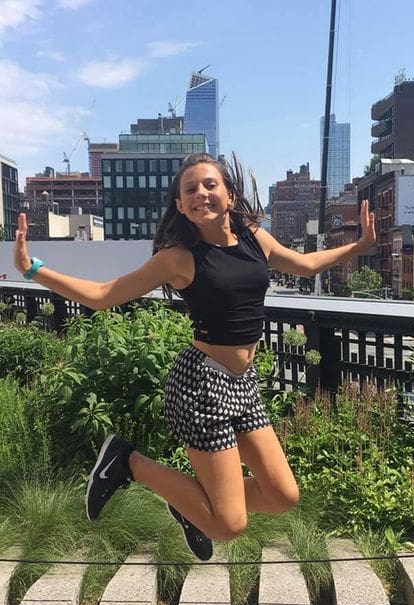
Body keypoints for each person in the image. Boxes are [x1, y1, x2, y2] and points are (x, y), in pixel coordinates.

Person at [14, 153, 376, 561]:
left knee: (282, 495)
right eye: (190, 190)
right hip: (201, 385)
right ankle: (127, 461)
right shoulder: (178, 257)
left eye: (209, 185)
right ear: (181, 206)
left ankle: (189, 507)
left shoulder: (255, 237)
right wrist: (32, 270)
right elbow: (103, 295)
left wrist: (359, 246)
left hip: (243, 384)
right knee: (228, 525)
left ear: (229, 194)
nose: (201, 194)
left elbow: (307, 265)